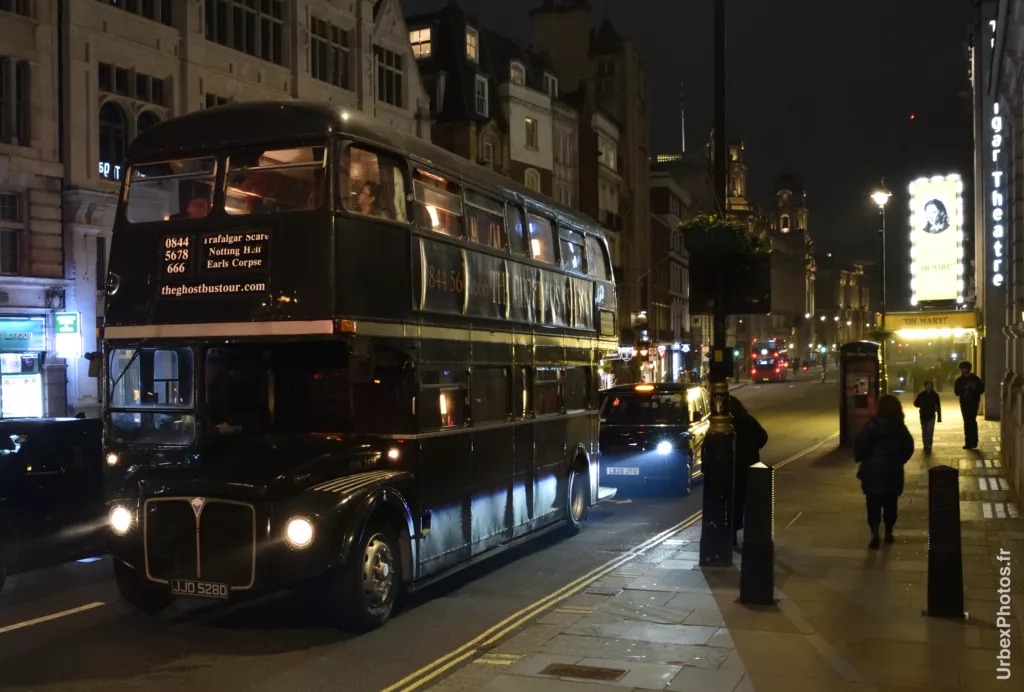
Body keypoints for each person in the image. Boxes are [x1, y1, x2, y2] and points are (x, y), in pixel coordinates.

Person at [854, 394, 914, 549]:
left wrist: (865, 459)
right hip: (892, 471)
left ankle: (874, 533)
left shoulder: (872, 425)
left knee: (873, 504)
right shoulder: (899, 427)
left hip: (872, 471)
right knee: (890, 503)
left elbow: (860, 445)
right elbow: (908, 447)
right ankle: (888, 531)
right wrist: (898, 460)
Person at [728, 396, 769, 548]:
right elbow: (763, 437)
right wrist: (752, 448)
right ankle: (751, 537)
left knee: (733, 504)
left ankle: (732, 536)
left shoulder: (725, 424)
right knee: (749, 503)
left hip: (732, 470)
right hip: (748, 467)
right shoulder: (747, 420)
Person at [954, 361, 985, 450]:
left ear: (968, 369)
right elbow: (956, 392)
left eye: (964, 368)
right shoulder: (960, 380)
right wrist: (963, 389)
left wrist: (973, 389)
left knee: (971, 421)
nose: (963, 370)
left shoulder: (975, 379)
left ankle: (974, 442)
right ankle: (968, 442)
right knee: (966, 422)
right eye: (962, 369)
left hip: (973, 403)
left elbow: (981, 390)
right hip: (964, 403)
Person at [913, 380, 942, 453]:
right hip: (923, 415)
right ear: (925, 386)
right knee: (924, 430)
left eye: (930, 385)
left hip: (931, 415)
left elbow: (938, 406)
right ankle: (925, 444)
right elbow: (916, 403)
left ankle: (929, 445)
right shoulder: (922, 394)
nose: (929, 387)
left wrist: (939, 417)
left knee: (930, 430)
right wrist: (922, 404)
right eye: (927, 385)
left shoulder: (935, 395)